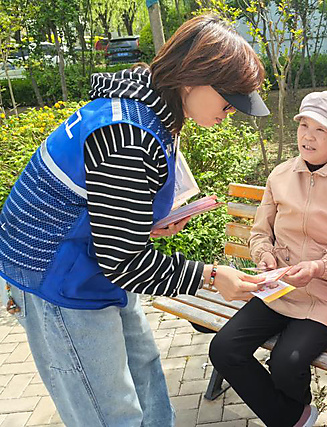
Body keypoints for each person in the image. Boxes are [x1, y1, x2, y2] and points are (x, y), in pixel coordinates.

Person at [0, 14, 269, 427]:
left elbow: (107, 215)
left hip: (89, 259)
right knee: (109, 410)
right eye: (228, 99)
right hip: (56, 276)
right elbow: (122, 260)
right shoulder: (127, 134)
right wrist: (212, 277)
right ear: (192, 78)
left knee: (144, 371)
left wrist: (141, 223)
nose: (231, 111)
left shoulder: (148, 108)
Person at [209, 91, 327, 427]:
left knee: (287, 361)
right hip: (281, 290)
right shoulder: (281, 175)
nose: (308, 136)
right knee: (224, 348)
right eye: (304, 126)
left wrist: (318, 268)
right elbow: (260, 232)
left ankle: (291, 418)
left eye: (320, 129)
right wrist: (264, 255)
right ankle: (296, 418)